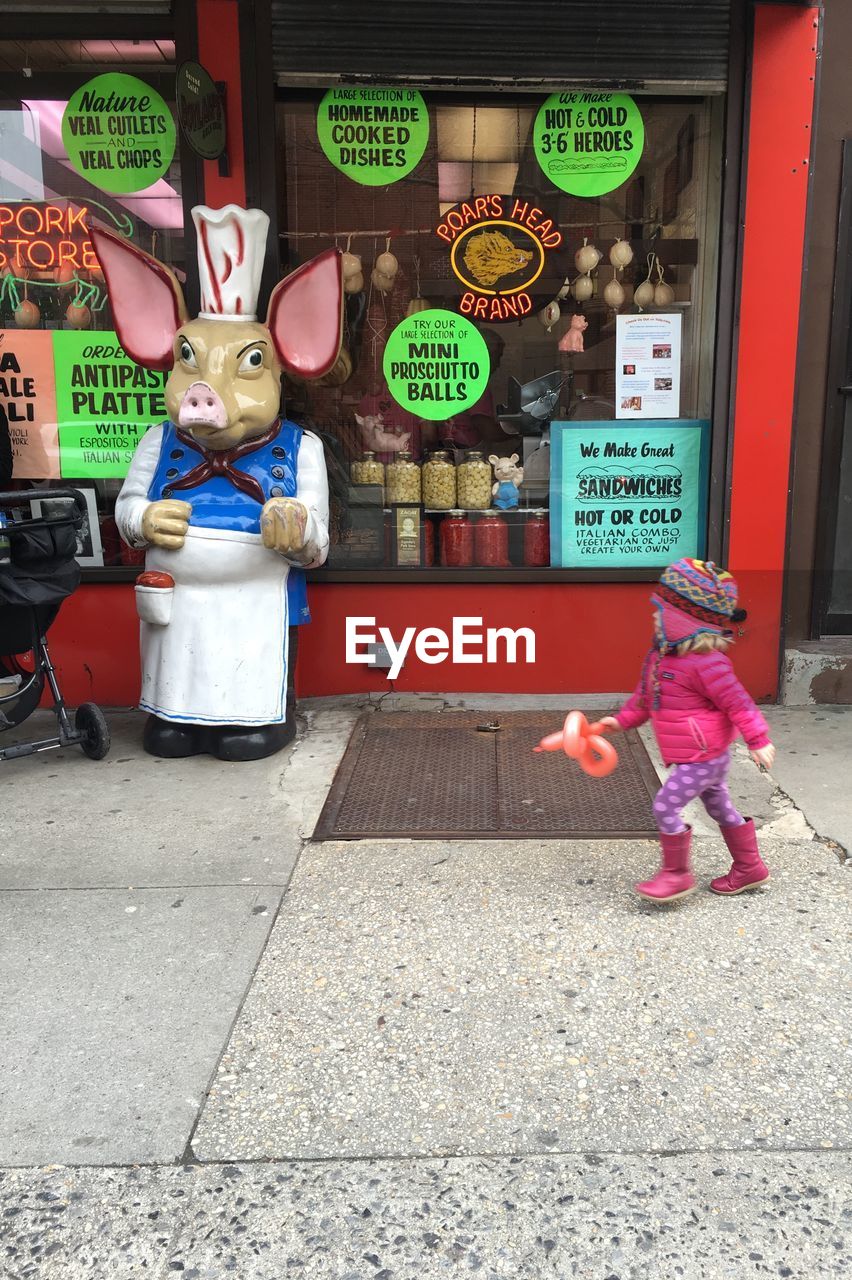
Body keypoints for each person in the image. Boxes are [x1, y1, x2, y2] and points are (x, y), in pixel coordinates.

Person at [599, 558, 776, 903]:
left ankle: (676, 875)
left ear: (686, 619)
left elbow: (739, 702)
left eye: (660, 610)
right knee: (721, 808)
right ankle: (749, 867)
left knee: (665, 806)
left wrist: (758, 740)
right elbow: (644, 698)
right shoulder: (661, 656)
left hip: (703, 757)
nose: (654, 616)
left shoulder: (708, 664)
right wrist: (620, 721)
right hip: (699, 756)